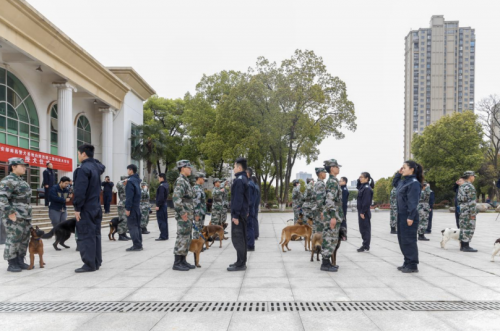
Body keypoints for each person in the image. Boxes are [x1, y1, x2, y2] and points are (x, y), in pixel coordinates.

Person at [73, 144, 105, 273]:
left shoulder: (83, 169)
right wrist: (93, 159)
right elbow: (102, 166)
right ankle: (96, 261)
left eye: (79, 153)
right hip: (96, 207)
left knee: (86, 235)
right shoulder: (96, 168)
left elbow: (80, 191)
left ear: (83, 154)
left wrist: (77, 208)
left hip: (86, 208)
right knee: (96, 234)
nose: (78, 156)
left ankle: (89, 264)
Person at [0, 158, 32, 272]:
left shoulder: (21, 180)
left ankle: (20, 260)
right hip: (14, 215)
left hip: (25, 215)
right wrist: (10, 212)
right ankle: (11, 262)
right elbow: (2, 198)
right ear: (13, 166)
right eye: (22, 165)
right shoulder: (8, 180)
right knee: (13, 238)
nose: (24, 168)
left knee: (24, 238)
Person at [392, 160, 423, 273]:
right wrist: (398, 174)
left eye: (404, 167)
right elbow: (395, 183)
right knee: (402, 240)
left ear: (412, 169)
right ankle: (407, 262)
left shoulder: (414, 183)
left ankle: (413, 265)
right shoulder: (404, 181)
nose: (402, 169)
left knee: (409, 240)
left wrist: (410, 216)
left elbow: (413, 202)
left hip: (409, 216)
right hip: (401, 215)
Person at [320, 159, 344, 272]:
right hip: (332, 214)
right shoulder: (333, 182)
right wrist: (333, 216)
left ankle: (327, 261)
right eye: (336, 166)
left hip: (333, 213)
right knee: (329, 238)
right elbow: (330, 200)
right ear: (331, 168)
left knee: (332, 238)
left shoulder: (333, 180)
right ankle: (325, 263)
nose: (338, 168)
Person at [172, 160, 196, 271]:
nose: (190, 169)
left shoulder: (185, 181)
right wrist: (182, 213)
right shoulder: (180, 181)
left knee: (187, 237)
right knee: (182, 236)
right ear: (182, 168)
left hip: (188, 213)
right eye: (188, 167)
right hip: (184, 214)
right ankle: (177, 262)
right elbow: (176, 198)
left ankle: (183, 260)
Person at [227, 157, 249, 271]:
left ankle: (240, 264)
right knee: (242, 238)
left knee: (238, 239)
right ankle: (240, 261)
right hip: (242, 213)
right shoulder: (244, 178)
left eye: (234, 167)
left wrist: (235, 215)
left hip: (238, 215)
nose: (234, 169)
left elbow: (238, 199)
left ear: (239, 167)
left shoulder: (239, 180)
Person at [458, 171, 478, 252]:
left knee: (463, 227)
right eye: (473, 176)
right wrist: (473, 213)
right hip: (469, 210)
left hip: (463, 208)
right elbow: (472, 201)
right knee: (469, 227)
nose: (474, 178)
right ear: (470, 176)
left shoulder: (462, 186)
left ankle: (462, 245)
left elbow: (459, 199)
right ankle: (466, 246)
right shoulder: (470, 186)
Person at [125, 164, 142, 251]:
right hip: (137, 206)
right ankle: (139, 243)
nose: (127, 171)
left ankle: (136, 245)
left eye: (128, 170)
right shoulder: (137, 180)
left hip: (132, 207)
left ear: (131, 170)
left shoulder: (130, 181)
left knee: (132, 226)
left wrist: (128, 208)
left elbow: (129, 196)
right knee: (137, 226)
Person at [356, 172, 374, 252]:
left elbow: (366, 202)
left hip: (364, 212)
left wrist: (363, 212)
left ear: (367, 179)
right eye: (360, 177)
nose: (360, 178)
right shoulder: (362, 187)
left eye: (362, 177)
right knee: (362, 229)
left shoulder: (367, 188)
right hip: (361, 212)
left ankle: (366, 246)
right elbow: (358, 186)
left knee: (365, 229)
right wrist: (358, 179)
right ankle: (365, 244)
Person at [311, 167, 327, 234]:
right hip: (319, 209)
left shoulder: (318, 183)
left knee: (316, 227)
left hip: (316, 208)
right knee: (319, 229)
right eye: (324, 173)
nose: (326, 174)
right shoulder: (320, 184)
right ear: (320, 173)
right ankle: (318, 243)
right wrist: (321, 211)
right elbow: (319, 199)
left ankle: (315, 243)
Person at [155, 173, 169, 241]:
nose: (158, 179)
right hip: (165, 205)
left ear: (162, 178)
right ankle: (165, 235)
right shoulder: (166, 185)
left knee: (161, 221)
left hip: (161, 206)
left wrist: (158, 205)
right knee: (165, 221)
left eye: (159, 177)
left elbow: (161, 197)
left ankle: (163, 236)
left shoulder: (161, 186)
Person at [193, 173, 207, 239]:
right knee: (197, 229)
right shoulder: (196, 188)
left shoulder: (200, 188)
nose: (204, 180)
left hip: (201, 211)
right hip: (198, 212)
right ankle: (196, 245)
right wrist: (197, 214)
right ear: (199, 178)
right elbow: (196, 202)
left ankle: (199, 245)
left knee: (200, 228)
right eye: (203, 178)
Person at [246, 167, 257, 251]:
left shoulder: (249, 184)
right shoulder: (251, 183)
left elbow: (249, 200)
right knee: (250, 227)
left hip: (249, 209)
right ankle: (250, 244)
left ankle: (250, 245)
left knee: (249, 227)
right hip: (251, 209)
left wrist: (247, 210)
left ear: (247, 173)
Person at [253, 176, 261, 240]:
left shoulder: (254, 187)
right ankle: (256, 234)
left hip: (253, 206)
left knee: (253, 220)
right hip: (255, 206)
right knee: (255, 219)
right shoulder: (257, 186)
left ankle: (255, 234)